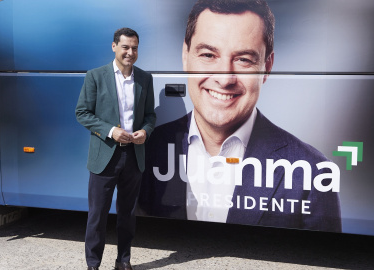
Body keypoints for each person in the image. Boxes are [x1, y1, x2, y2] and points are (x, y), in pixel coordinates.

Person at [140, 0, 341, 232]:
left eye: (243, 60)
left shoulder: (312, 170)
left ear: (267, 66)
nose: (225, 79)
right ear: (185, 56)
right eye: (208, 55)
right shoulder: (147, 149)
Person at [76, 28, 156, 270]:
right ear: (114, 47)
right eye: (125, 47)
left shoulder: (145, 78)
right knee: (98, 215)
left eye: (134, 48)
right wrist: (111, 130)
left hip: (133, 155)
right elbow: (82, 113)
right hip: (105, 155)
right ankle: (93, 264)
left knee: (127, 214)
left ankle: (123, 261)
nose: (130, 52)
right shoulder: (95, 76)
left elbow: (150, 115)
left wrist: (146, 131)